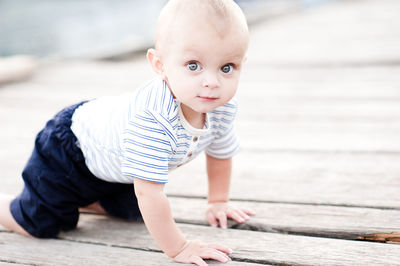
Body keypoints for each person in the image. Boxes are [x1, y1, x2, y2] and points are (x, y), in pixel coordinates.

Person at [0, 0, 255, 264]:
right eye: (193, 65)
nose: (212, 83)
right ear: (159, 64)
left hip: (114, 166)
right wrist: (179, 248)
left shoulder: (222, 108)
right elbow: (149, 192)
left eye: (227, 68)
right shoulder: (154, 119)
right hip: (70, 149)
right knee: (40, 223)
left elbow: (220, 154)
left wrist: (218, 201)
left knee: (133, 212)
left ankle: (82, 197)